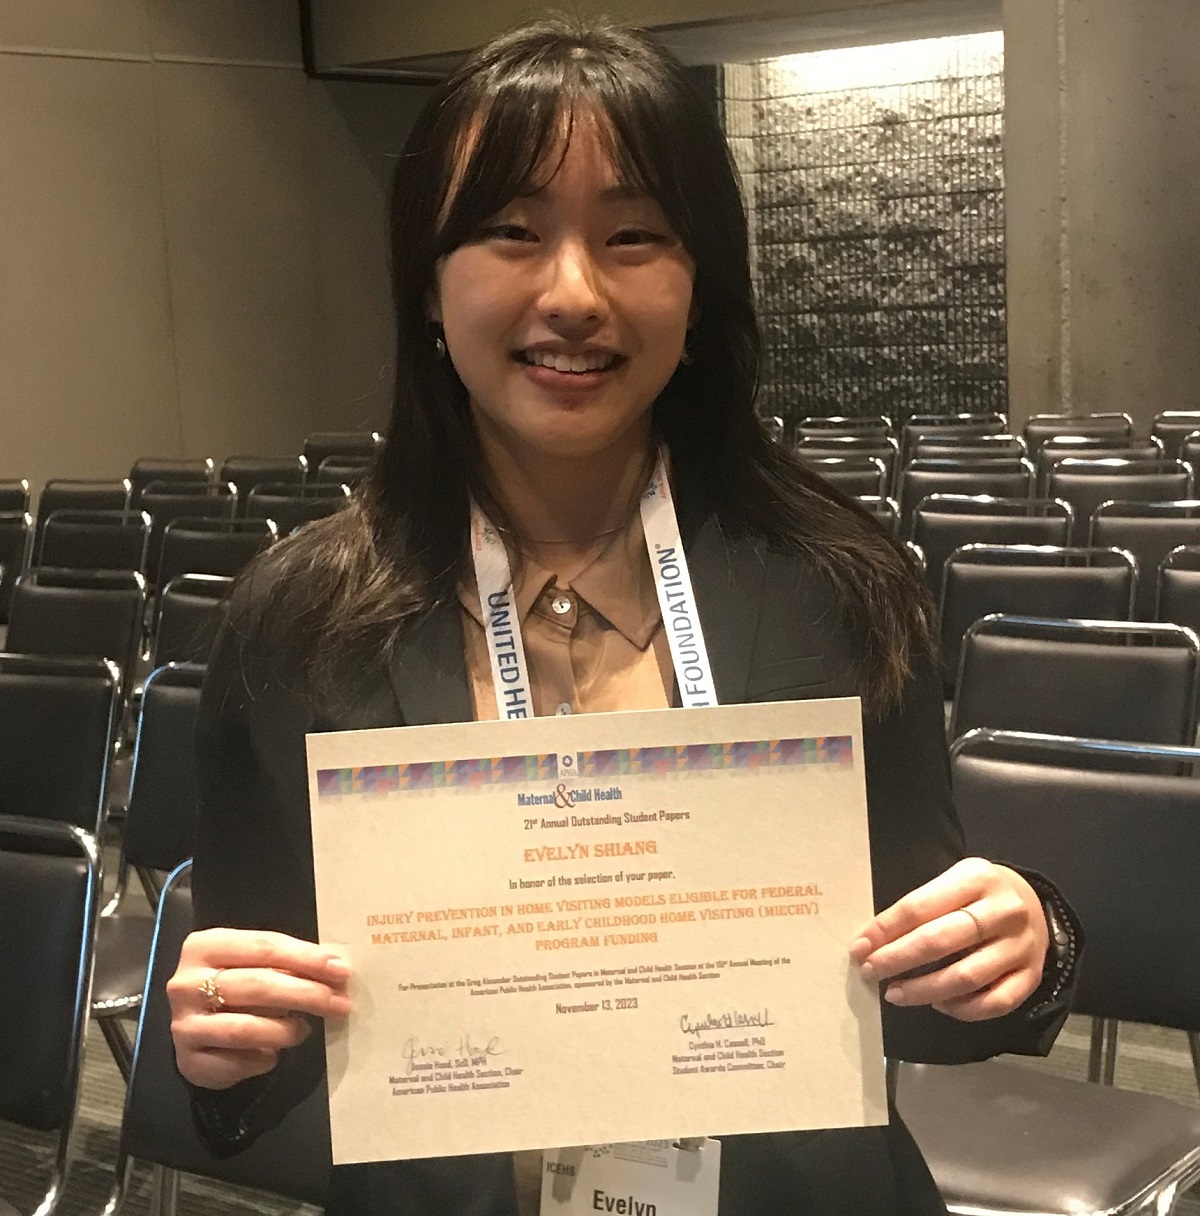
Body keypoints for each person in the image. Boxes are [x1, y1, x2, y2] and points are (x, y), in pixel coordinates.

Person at [168, 15, 1079, 1215]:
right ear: (427, 285)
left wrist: (1026, 946)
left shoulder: (837, 583)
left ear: (701, 288)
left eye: (635, 235)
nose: (574, 292)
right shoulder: (294, 625)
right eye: (510, 231)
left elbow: (920, 1001)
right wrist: (223, 1041)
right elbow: (261, 1065)